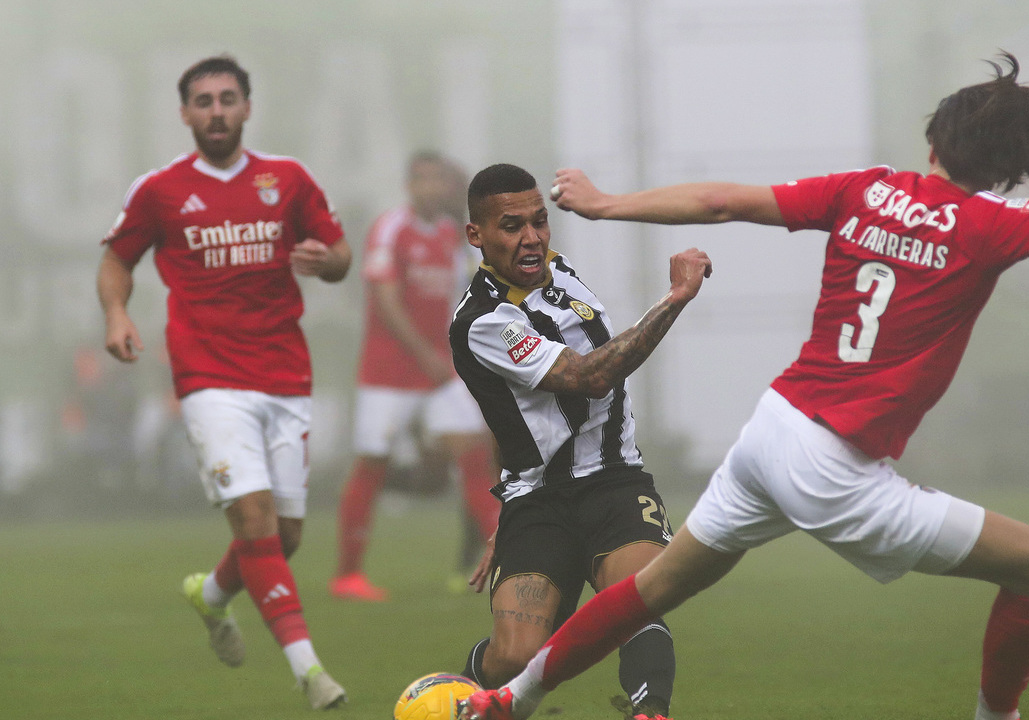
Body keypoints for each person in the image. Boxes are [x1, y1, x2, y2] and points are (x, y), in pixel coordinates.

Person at [457, 22, 1029, 720]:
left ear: (933, 144)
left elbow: (724, 200)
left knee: (647, 594)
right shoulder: (992, 225)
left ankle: (508, 699)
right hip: (832, 467)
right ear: (1011, 169)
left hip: (769, 432)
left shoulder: (866, 191)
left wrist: (608, 202)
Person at [96, 55, 351, 710]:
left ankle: (209, 596)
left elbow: (341, 255)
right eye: (203, 101)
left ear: (246, 107)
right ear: (185, 113)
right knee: (254, 518)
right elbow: (117, 261)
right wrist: (118, 311)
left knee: (283, 536)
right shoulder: (159, 190)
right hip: (208, 376)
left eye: (227, 99)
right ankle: (309, 671)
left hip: (285, 373)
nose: (216, 111)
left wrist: (327, 262)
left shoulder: (288, 180)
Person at [448, 163, 713, 720]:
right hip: (540, 503)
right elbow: (589, 377)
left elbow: (519, 415)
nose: (532, 238)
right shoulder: (484, 320)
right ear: (477, 235)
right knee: (515, 659)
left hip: (615, 481)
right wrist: (675, 300)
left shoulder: (559, 271)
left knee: (638, 602)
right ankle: (464, 686)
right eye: (512, 225)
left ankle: (649, 713)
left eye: (540, 222)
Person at [331, 151, 501, 602]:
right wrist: (425, 354)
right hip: (387, 372)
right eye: (423, 180)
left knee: (475, 457)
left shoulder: (451, 236)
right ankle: (347, 574)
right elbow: (385, 300)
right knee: (373, 462)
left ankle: (509, 563)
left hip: (441, 371)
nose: (432, 188)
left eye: (439, 181)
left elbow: (462, 298)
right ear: (410, 184)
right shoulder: (391, 229)